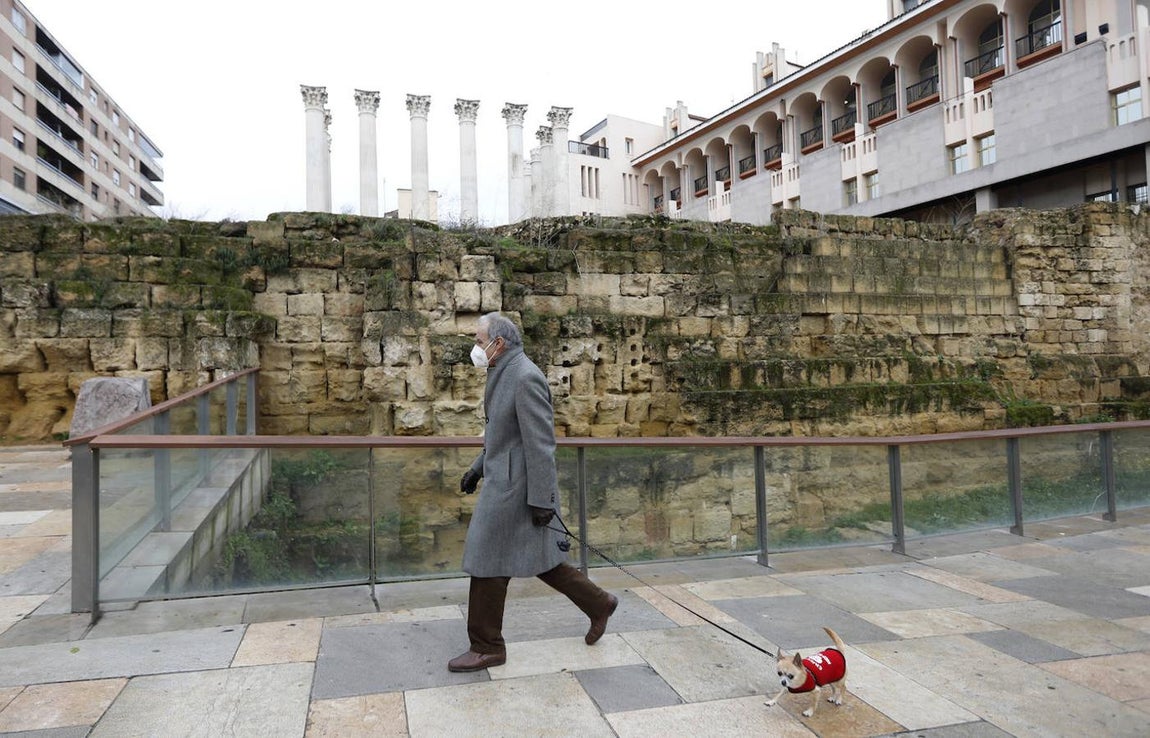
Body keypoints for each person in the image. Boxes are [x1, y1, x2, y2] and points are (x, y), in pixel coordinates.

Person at [449, 311, 618, 672]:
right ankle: (599, 603)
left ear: (499, 343)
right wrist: (476, 470)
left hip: (516, 490)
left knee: (486, 561)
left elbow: (541, 445)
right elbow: (501, 435)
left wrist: (543, 500)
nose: (475, 348)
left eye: (479, 341)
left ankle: (487, 646)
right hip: (503, 482)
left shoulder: (525, 376)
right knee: (542, 561)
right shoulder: (502, 370)